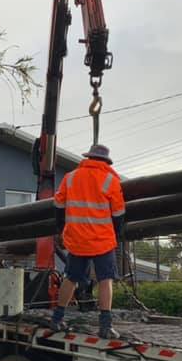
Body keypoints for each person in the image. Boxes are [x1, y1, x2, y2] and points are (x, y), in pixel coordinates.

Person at [50, 143, 126, 339]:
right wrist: (115, 233)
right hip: (102, 240)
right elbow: (118, 214)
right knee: (105, 280)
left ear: (88, 158)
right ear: (106, 161)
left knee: (71, 278)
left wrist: (61, 229)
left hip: (77, 239)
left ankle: (57, 319)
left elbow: (58, 204)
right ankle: (105, 326)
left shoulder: (71, 177)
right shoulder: (110, 180)